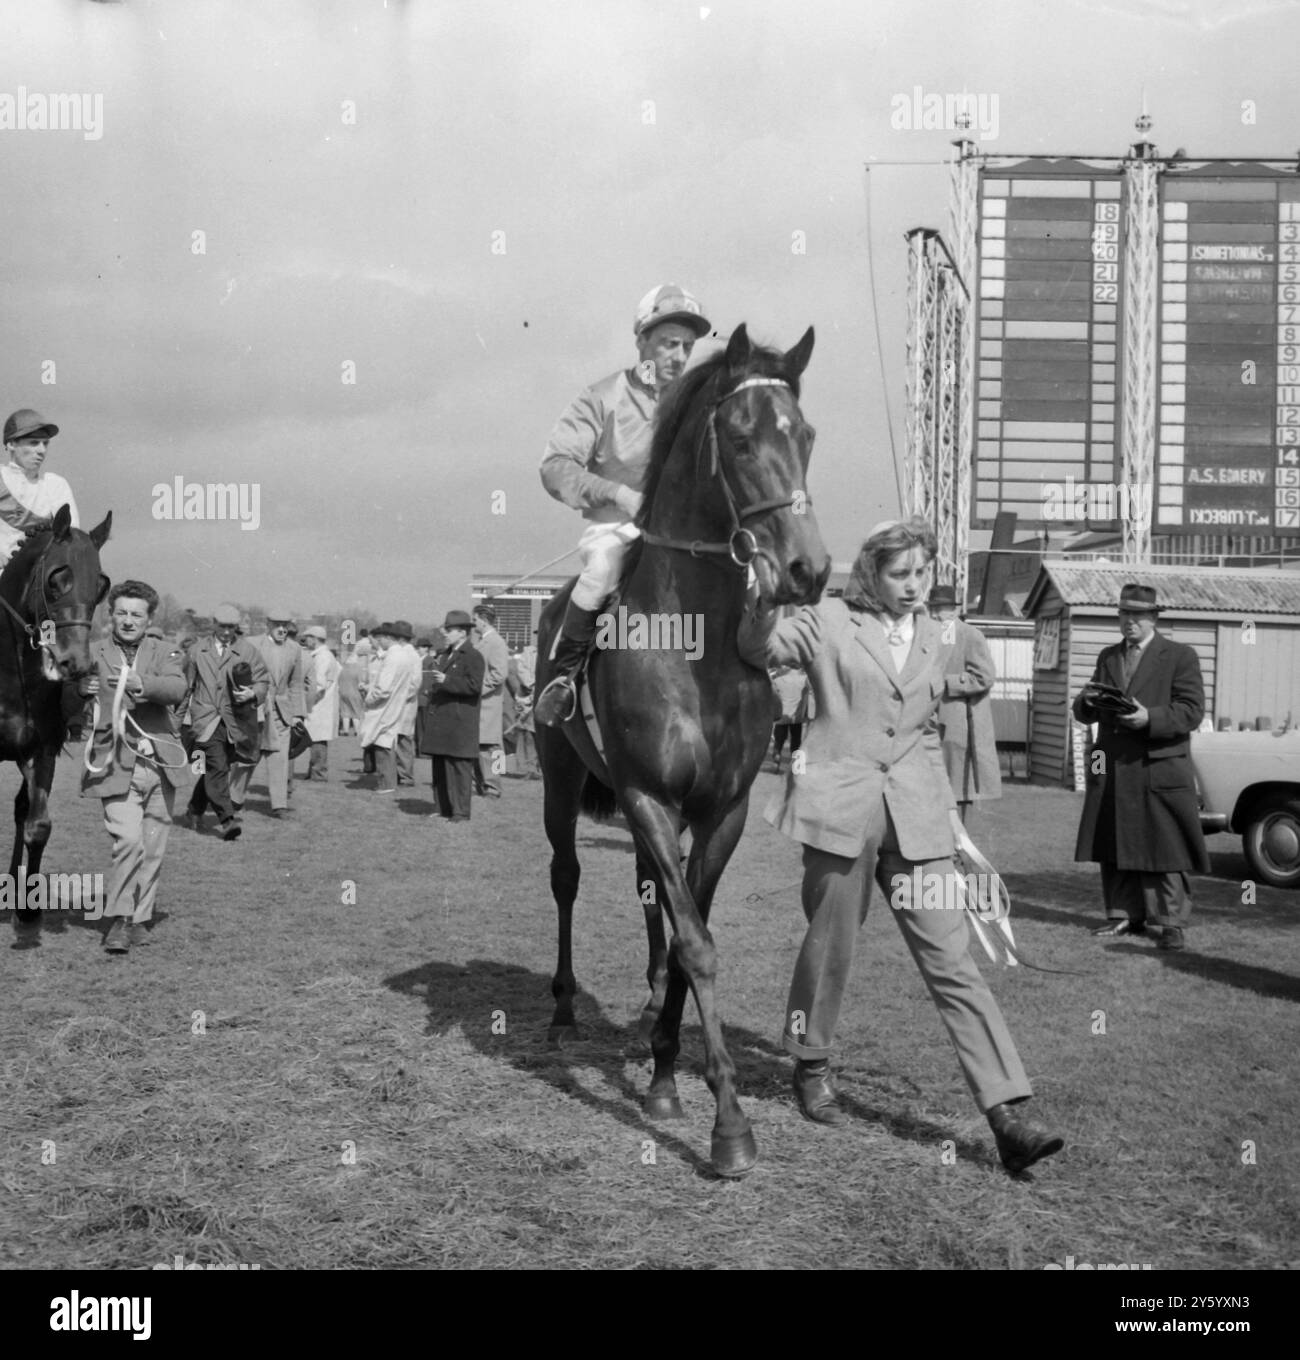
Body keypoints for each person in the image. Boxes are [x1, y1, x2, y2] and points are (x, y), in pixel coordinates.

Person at [739, 516, 1063, 1176]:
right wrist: (760, 599)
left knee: (954, 960)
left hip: (918, 820)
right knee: (831, 947)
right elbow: (758, 650)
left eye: (922, 572)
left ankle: (1006, 1116)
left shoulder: (942, 637)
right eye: (900, 574)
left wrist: (948, 822)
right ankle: (810, 1062)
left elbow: (919, 733)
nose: (915, 586)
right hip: (840, 814)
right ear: (870, 574)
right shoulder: (829, 621)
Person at [534, 283, 711, 724]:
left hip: (684, 537)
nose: (679, 355)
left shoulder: (700, 405)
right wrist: (618, 494)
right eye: (669, 343)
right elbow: (555, 466)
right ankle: (564, 679)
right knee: (600, 571)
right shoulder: (601, 396)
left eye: (687, 347)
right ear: (641, 341)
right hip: (617, 530)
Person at [1073, 583, 1210, 952]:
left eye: (1137, 615)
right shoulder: (1108, 656)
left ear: (1153, 618)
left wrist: (1150, 717)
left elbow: (1192, 710)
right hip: (1114, 765)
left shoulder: (1180, 656)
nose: (1129, 621)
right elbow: (1088, 710)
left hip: (1159, 766)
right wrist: (1085, 703)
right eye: (1123, 614)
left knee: (1165, 847)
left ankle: (1170, 923)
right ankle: (1122, 915)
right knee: (1114, 842)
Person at [81, 580, 191, 953]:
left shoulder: (167, 652)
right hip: (114, 763)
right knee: (128, 841)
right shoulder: (92, 651)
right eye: (122, 613)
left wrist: (145, 684)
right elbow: (69, 687)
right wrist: (81, 689)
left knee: (153, 847)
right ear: (110, 615)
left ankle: (141, 918)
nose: (128, 621)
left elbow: (177, 688)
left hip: (160, 762)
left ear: (148, 619)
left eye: (136, 614)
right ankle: (119, 919)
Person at [181, 603, 269, 839]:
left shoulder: (248, 651)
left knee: (215, 768)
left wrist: (253, 693)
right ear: (214, 624)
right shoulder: (197, 651)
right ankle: (227, 821)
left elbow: (263, 680)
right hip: (205, 720)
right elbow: (185, 687)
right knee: (217, 767)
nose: (227, 632)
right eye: (223, 626)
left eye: (232, 627)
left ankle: (194, 810)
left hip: (234, 723)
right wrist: (176, 720)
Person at [928, 584, 1003, 825]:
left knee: (956, 793)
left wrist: (947, 682)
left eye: (942, 609)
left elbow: (985, 676)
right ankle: (930, 859)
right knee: (930, 793)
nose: (937, 615)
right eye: (934, 609)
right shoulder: (928, 636)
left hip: (960, 728)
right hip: (931, 726)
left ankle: (955, 855)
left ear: (954, 610)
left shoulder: (970, 635)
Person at [418, 610, 485, 824]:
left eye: (449, 630)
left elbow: (474, 686)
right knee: (440, 766)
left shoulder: (473, 656)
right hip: (442, 719)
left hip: (459, 721)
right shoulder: (444, 654)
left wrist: (446, 680)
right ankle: (443, 807)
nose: (444, 633)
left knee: (459, 768)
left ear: (462, 632)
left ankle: (460, 812)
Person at [0, 409, 79, 562]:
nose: (42, 450)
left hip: (39, 574)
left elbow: (70, 537)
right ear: (11, 444)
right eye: (34, 443)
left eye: (45, 443)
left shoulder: (54, 485)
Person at [251, 607, 305, 818]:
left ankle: (279, 805)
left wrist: (298, 713)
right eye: (277, 625)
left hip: (282, 712)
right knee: (247, 758)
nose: (282, 629)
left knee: (280, 759)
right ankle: (233, 799)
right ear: (268, 624)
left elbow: (297, 683)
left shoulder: (294, 649)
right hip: (256, 708)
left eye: (286, 625)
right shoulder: (253, 644)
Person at [358, 622, 406, 793]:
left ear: (387, 638)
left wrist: (369, 699)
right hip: (395, 703)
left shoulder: (392, 657)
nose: (378, 642)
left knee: (382, 743)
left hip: (383, 706)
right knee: (385, 741)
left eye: (380, 639)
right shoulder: (402, 655)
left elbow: (383, 689)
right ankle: (387, 782)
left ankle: (386, 783)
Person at [471, 603, 509, 797]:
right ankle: (484, 784)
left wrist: (477, 690)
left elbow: (500, 673)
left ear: (484, 620)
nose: (473, 623)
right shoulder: (484, 642)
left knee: (492, 747)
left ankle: (494, 787)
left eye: (475, 619)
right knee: (482, 746)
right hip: (482, 706)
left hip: (489, 705)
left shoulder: (496, 642)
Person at [299, 625, 340, 781]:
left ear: (314, 639)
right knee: (315, 738)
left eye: (307, 638)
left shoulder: (323, 657)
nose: (305, 641)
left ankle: (318, 773)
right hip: (321, 704)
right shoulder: (322, 655)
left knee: (317, 739)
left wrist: (305, 700)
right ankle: (314, 771)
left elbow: (319, 685)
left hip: (319, 705)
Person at [389, 620, 423, 787]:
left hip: (405, 705)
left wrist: (396, 697)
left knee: (403, 741)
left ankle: (406, 776)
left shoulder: (412, 656)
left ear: (401, 639)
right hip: (398, 705)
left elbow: (414, 684)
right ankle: (398, 774)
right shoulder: (403, 654)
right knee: (398, 740)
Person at [770, 665, 810, 771]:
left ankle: (777, 756)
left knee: (779, 740)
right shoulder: (804, 679)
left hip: (781, 717)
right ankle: (795, 766)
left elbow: (772, 695)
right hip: (796, 718)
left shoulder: (778, 679)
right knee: (796, 741)